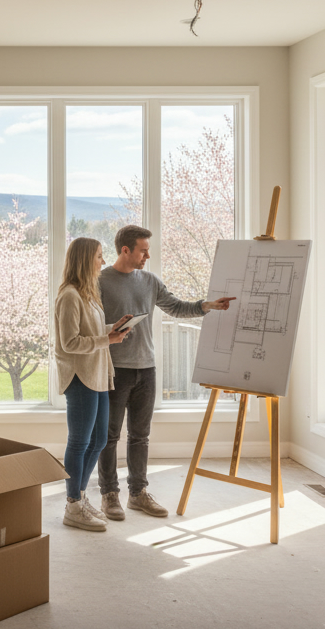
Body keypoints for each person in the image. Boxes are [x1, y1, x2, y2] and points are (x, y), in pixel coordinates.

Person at [97, 224, 235, 519]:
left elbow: (175, 307)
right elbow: (90, 324)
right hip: (114, 370)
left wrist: (207, 305)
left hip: (146, 369)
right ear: (126, 250)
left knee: (140, 436)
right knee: (109, 437)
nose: (147, 255)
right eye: (143, 250)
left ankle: (138, 493)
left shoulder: (149, 281)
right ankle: (109, 494)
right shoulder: (101, 281)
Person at [55, 237, 134, 532]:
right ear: (85, 259)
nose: (103, 262)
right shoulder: (69, 296)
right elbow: (69, 342)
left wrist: (112, 328)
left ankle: (80, 496)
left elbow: (89, 331)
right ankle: (73, 504)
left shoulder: (88, 295)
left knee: (99, 440)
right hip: (80, 376)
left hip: (98, 374)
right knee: (79, 442)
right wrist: (107, 339)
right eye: (99, 256)